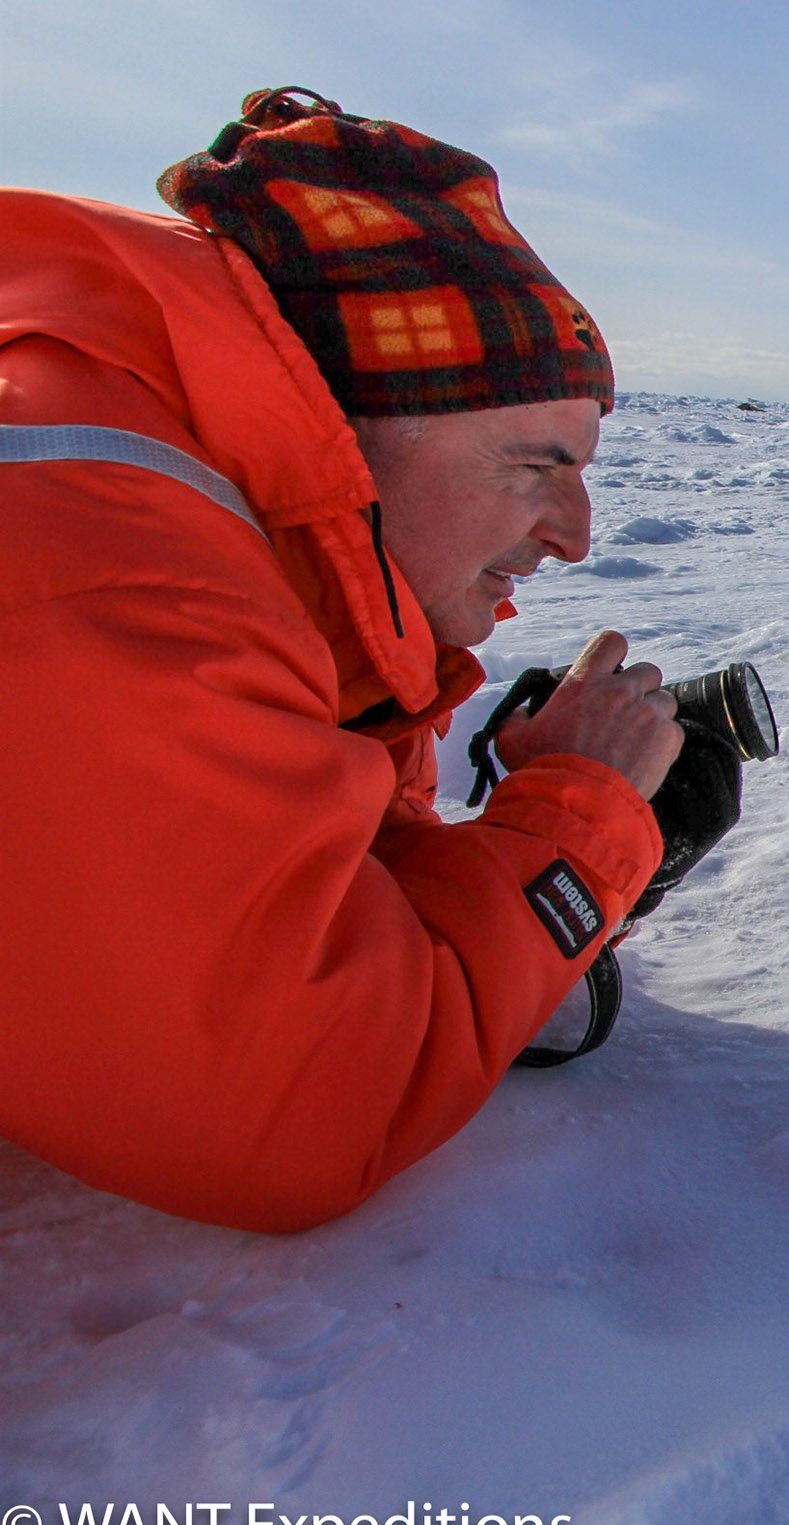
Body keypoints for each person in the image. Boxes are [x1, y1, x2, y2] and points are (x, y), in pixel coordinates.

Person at [0, 89, 683, 1231]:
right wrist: (575, 831)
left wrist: (523, 840)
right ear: (341, 423)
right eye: (533, 464)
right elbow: (294, 1111)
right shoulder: (112, 571)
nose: (575, 534)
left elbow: (280, 880)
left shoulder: (184, 491)